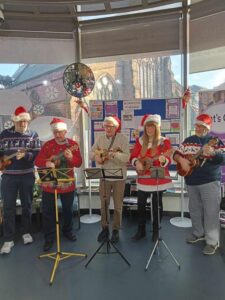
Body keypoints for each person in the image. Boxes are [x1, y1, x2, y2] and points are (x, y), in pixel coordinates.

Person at [173, 113, 225, 255]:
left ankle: (212, 241)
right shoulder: (188, 140)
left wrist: (213, 154)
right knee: (194, 209)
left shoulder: (216, 142)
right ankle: (198, 233)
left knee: (211, 212)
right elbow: (176, 154)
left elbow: (223, 159)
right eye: (197, 125)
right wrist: (182, 160)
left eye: (202, 126)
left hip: (210, 181)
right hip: (191, 181)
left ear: (207, 128)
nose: (198, 128)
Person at [35, 118, 82, 251]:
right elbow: (38, 160)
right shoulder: (47, 145)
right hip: (50, 184)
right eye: (55, 132)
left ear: (66, 131)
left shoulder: (73, 144)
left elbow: (78, 163)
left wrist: (71, 158)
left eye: (60, 132)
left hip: (67, 184)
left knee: (68, 210)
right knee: (48, 211)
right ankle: (49, 237)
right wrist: (47, 163)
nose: (58, 135)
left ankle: (67, 231)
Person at [0, 106, 41, 254]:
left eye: (25, 121)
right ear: (15, 120)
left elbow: (37, 156)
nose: (23, 124)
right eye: (20, 121)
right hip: (8, 177)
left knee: (27, 205)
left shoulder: (33, 135)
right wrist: (2, 161)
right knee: (8, 207)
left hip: (26, 175)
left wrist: (26, 156)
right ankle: (8, 239)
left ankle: (26, 232)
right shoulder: (4, 134)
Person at [130, 114, 173, 242]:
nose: (149, 129)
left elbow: (169, 160)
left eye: (152, 127)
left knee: (157, 205)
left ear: (157, 128)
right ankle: (141, 230)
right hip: (143, 178)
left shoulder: (164, 141)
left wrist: (164, 159)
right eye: (148, 126)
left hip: (157, 178)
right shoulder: (140, 141)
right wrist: (136, 162)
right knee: (141, 204)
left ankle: (156, 231)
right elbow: (133, 156)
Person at [90, 116, 130, 243]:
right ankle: (104, 228)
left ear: (116, 127)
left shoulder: (122, 139)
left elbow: (127, 157)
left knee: (118, 205)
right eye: (105, 126)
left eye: (110, 126)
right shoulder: (100, 138)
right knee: (104, 204)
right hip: (104, 176)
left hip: (119, 177)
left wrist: (114, 154)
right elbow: (91, 154)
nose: (107, 128)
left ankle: (116, 230)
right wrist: (97, 158)